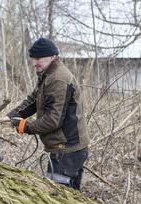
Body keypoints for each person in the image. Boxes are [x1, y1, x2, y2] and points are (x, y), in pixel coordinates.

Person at [8, 37, 90, 190]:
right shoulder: (48, 74)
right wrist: (13, 115)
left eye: (38, 58)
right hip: (62, 148)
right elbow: (34, 100)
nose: (34, 63)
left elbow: (53, 120)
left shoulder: (59, 79)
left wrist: (25, 126)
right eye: (33, 58)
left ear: (53, 57)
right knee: (65, 195)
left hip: (68, 150)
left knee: (60, 197)